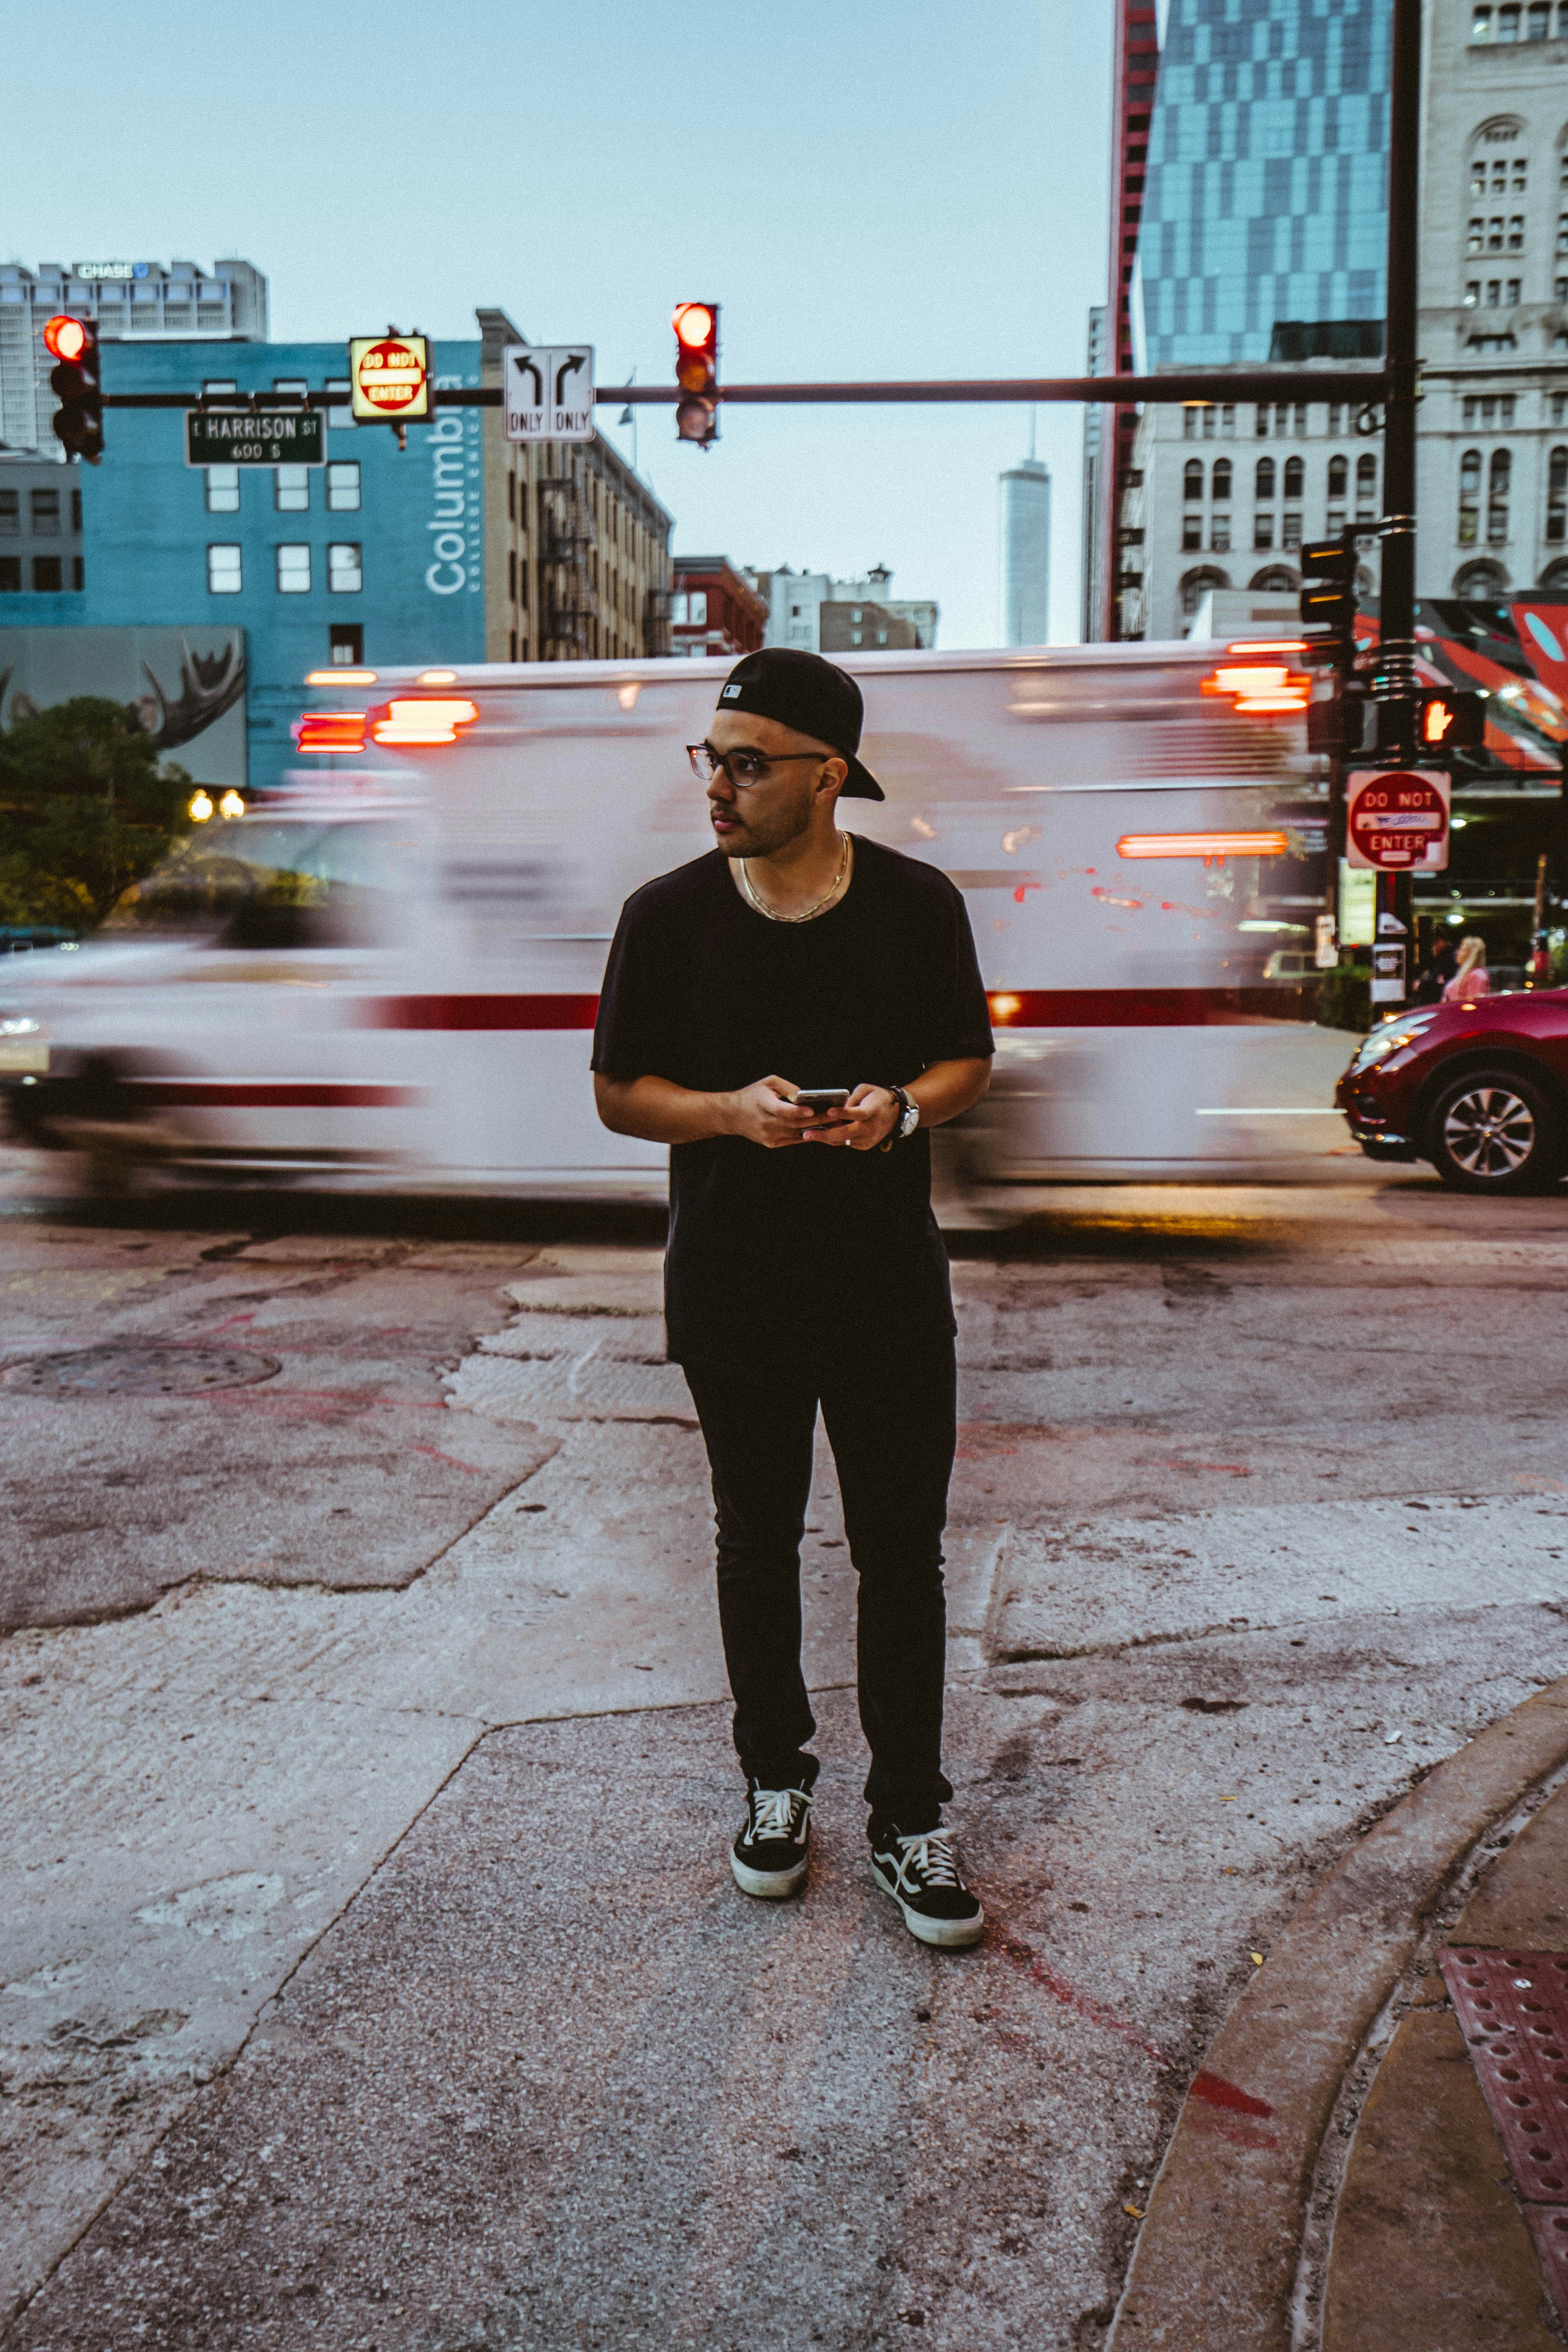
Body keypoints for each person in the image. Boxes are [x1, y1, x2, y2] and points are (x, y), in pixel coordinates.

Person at [591, 647, 994, 1950]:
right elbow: (616, 1092)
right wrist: (726, 1114)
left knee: (902, 1559)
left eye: (748, 762)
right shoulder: (665, 916)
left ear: (830, 777)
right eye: (709, 757)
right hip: (734, 1284)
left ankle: (909, 1815)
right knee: (755, 1546)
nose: (717, 784)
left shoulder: (918, 905)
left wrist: (901, 1106)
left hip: (883, 1286)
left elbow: (966, 1058)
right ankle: (775, 1787)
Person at [1444, 934, 1491, 1004]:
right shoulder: (1465, 974)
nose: (1457, 953)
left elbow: (1475, 1004)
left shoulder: (1477, 975)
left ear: (1472, 954)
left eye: (1462, 950)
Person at [1413, 934, 1458, 1006]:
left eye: (1433, 944)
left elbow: (1445, 986)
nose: (1432, 948)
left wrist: (1422, 986)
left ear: (1441, 941)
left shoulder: (1452, 959)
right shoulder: (1440, 959)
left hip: (1440, 1007)